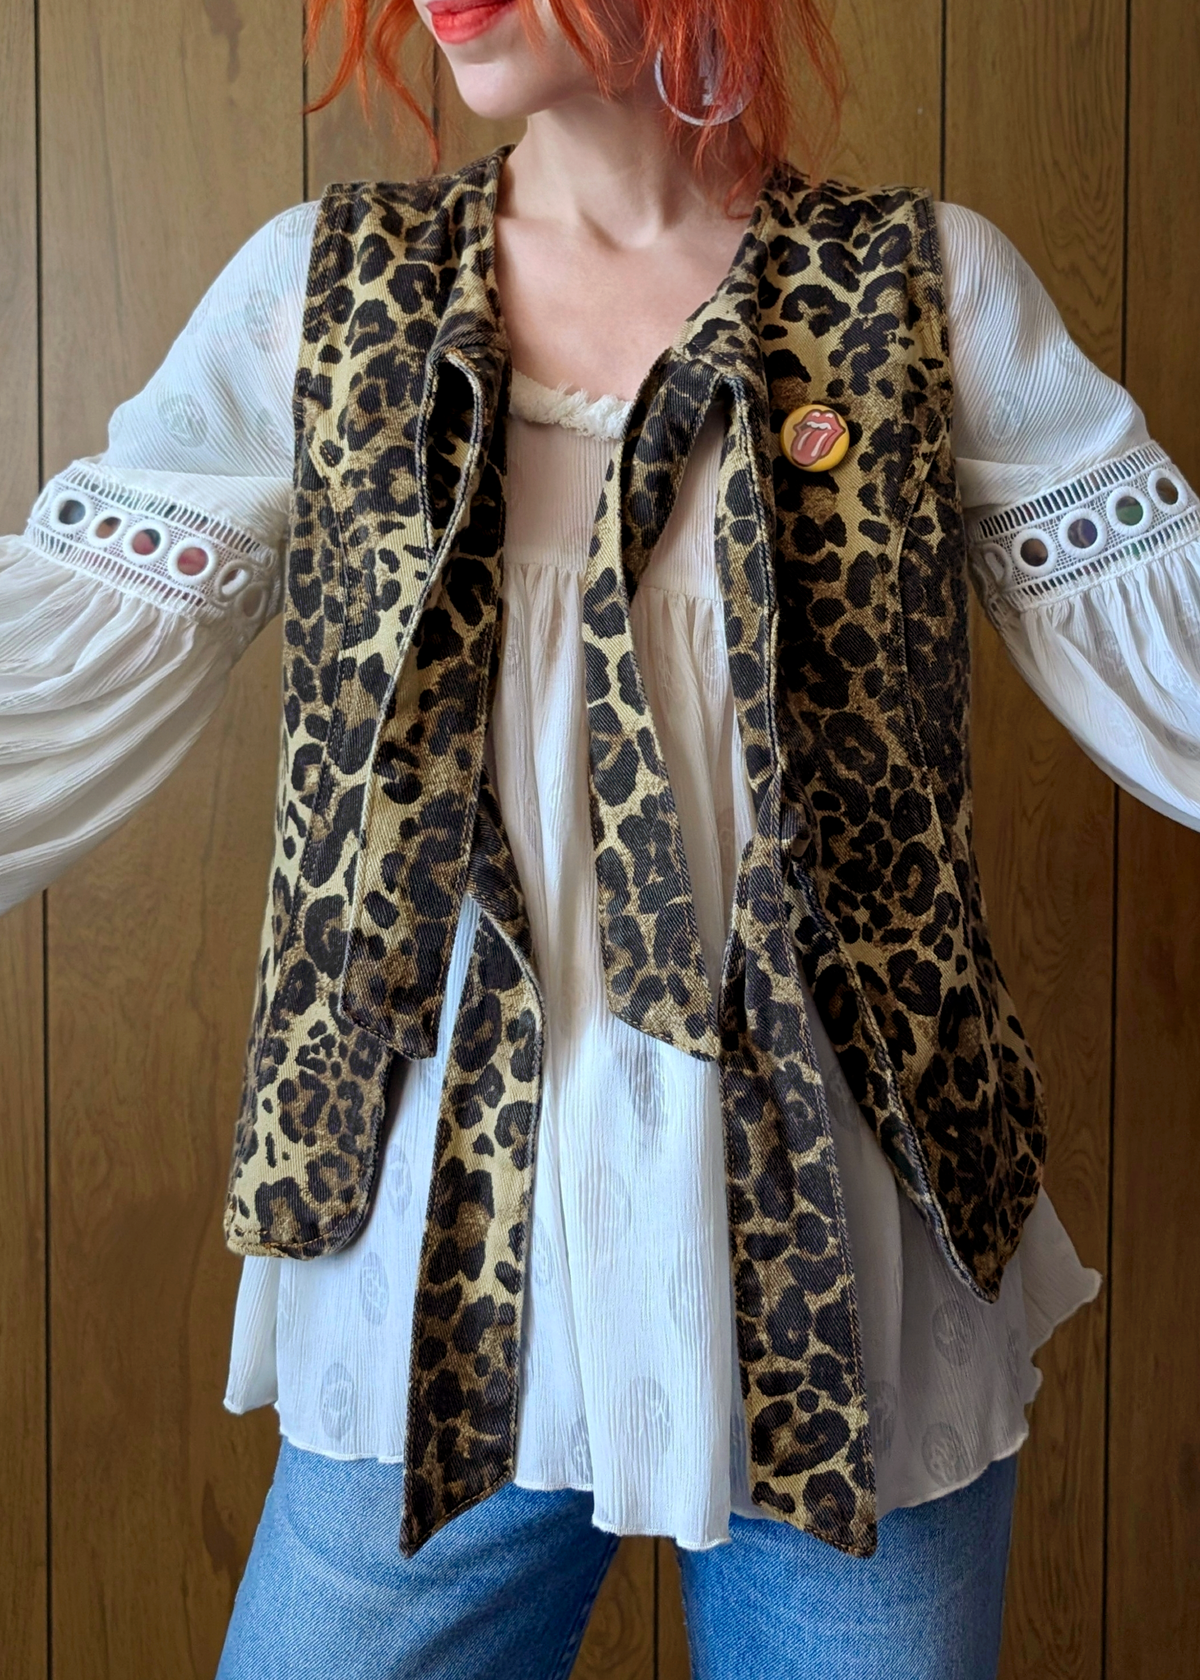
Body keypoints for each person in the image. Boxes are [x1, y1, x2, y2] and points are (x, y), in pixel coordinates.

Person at [2, 1, 1198, 1675]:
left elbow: (1171, 656)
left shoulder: (923, 288)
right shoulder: (326, 290)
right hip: (443, 1269)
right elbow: (55, 673)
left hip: (843, 1279)